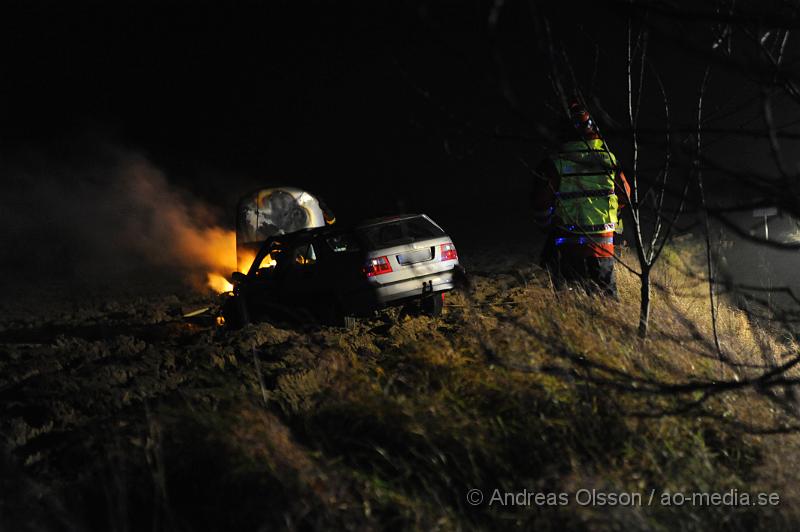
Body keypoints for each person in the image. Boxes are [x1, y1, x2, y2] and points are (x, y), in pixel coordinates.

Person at [531, 99, 631, 297]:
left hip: (569, 246)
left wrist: (547, 226)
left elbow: (540, 202)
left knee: (573, 302)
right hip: (603, 246)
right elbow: (625, 194)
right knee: (607, 301)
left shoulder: (555, 163)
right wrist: (610, 213)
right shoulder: (608, 159)